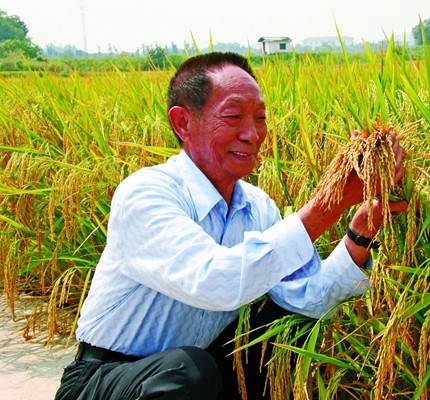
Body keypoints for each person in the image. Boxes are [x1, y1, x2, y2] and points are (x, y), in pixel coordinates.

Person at [54, 52, 408, 400]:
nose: (252, 134)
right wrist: (328, 203)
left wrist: (362, 229)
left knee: (279, 326)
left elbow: (307, 297)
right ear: (183, 123)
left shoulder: (256, 207)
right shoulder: (146, 195)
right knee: (190, 371)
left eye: (260, 118)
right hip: (105, 380)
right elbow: (216, 282)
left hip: (192, 374)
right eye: (234, 116)